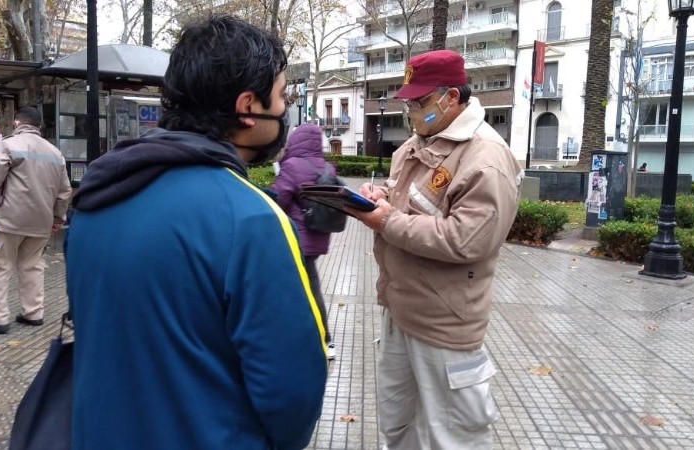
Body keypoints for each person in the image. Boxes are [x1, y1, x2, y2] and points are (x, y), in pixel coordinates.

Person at [64, 14, 327, 450]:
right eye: (281, 97)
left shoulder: (95, 196)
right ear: (247, 107)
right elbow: (291, 388)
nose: (284, 112)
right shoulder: (251, 218)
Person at [351, 49, 522, 449]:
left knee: (453, 437)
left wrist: (386, 220)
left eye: (421, 101)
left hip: (445, 323)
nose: (412, 110)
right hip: (401, 311)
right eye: (409, 101)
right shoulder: (417, 143)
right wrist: (383, 198)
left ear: (452, 98)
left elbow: (468, 239)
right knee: (398, 424)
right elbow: (414, 202)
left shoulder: (486, 157)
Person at [0, 106, 72, 334]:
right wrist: (57, 217)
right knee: (33, 266)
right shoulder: (55, 153)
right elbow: (64, 191)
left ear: (17, 123)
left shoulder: (7, 144)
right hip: (41, 221)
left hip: (10, 218)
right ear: (38, 126)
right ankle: (33, 313)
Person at [271, 123, 338, 360]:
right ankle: (323, 340)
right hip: (319, 235)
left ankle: (320, 340)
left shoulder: (291, 166)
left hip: (295, 238)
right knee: (309, 284)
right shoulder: (327, 166)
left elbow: (278, 201)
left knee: (299, 288)